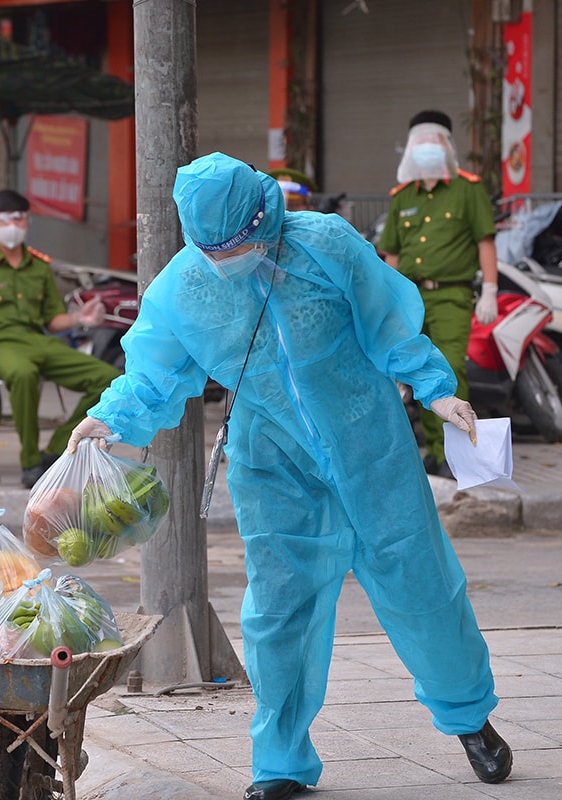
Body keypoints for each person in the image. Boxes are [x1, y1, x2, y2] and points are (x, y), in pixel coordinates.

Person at [66, 153, 512, 800]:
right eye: (215, 249)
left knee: (420, 583)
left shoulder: (326, 243)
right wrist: (109, 420)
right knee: (278, 610)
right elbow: (152, 372)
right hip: (271, 457)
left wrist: (436, 389)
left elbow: (388, 322)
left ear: (264, 215)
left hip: (370, 438)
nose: (230, 257)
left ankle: (470, 717)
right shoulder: (182, 287)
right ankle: (279, 762)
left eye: (241, 242)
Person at [0, 189, 120, 488]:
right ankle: (31, 462)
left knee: (109, 379)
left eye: (17, 218)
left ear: (27, 221)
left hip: (39, 341)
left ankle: (57, 449)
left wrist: (78, 319)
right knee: (23, 373)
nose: (11, 225)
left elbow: (52, 320)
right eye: (4, 219)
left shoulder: (38, 265)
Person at [379, 110, 499, 479]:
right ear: (410, 151)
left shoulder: (468, 189)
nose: (428, 150)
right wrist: (390, 301)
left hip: (451, 296)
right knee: (416, 371)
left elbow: (485, 240)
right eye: (421, 143)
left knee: (450, 369)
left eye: (435, 143)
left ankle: (458, 452)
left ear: (447, 147)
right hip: (411, 298)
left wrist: (491, 289)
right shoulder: (402, 197)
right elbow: (392, 255)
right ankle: (434, 449)